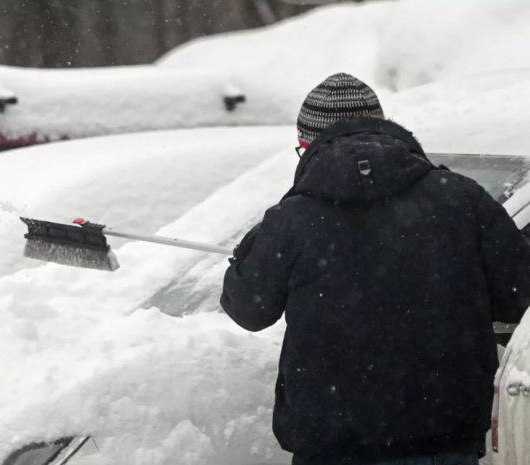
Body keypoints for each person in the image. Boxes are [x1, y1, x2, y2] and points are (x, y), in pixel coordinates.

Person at [220, 72, 530, 465]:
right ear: (384, 128)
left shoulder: (293, 219)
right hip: (445, 438)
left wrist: (251, 249)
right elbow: (520, 299)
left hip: (332, 446)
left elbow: (247, 309)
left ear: (306, 145)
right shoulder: (462, 199)